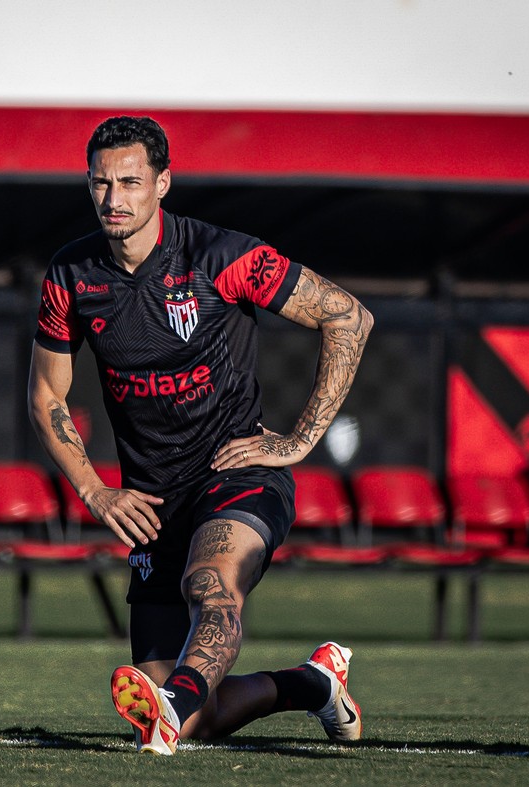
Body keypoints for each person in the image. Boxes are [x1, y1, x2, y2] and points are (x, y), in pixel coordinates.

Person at [28, 116, 373, 755]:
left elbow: (348, 316)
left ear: (163, 183)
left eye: (130, 181)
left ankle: (170, 707)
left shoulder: (224, 257)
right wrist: (95, 490)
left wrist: (300, 440)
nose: (113, 197)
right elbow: (48, 395)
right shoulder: (71, 274)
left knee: (210, 584)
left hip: (236, 475)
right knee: (201, 725)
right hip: (152, 502)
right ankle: (315, 684)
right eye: (101, 183)